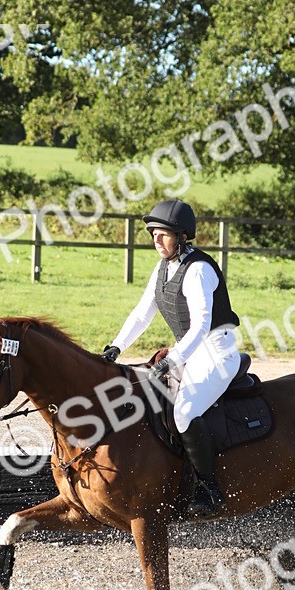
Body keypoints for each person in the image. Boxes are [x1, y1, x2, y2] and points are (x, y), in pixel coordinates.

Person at [101, 199, 241, 518]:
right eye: (153, 234)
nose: (156, 240)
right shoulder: (164, 266)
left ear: (181, 235)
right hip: (191, 351)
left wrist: (173, 359)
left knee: (184, 412)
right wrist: (116, 346)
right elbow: (142, 312)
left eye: (162, 234)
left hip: (216, 351)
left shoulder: (199, 270)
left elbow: (202, 324)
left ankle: (210, 489)